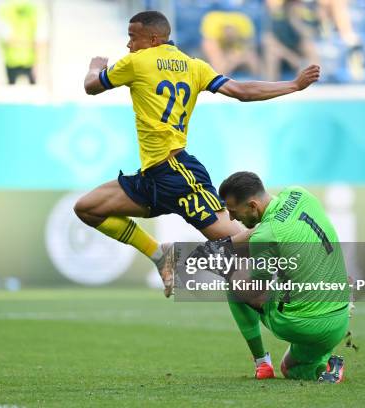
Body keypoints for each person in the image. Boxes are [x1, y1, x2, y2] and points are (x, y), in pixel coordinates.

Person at [74, 11, 320, 298]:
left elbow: (91, 87)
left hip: (179, 175)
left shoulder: (136, 62)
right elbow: (242, 90)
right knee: (87, 208)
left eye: (133, 38)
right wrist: (292, 84)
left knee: (237, 244)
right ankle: (160, 255)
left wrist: (94, 67)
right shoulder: (194, 66)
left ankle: (317, 275)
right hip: (153, 176)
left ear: (153, 39)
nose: (129, 45)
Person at [199, 171, 350, 382]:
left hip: (300, 323)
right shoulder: (299, 194)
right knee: (290, 369)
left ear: (253, 206)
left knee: (234, 277)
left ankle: (262, 363)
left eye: (234, 212)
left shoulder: (265, 236)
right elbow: (274, 229)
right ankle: (326, 367)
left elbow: (257, 288)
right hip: (340, 317)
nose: (232, 219)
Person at [200, 10, 260, 77]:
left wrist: (240, 56)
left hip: (236, 52)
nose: (229, 34)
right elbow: (219, 74)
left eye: (232, 30)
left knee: (251, 56)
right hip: (217, 66)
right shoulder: (211, 39)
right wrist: (232, 61)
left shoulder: (243, 28)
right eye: (227, 30)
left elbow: (258, 71)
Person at [0, 0, 39, 85]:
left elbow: (6, 38)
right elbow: (39, 41)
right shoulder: (33, 7)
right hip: (26, 59)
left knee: (12, 92)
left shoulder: (6, 7)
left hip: (14, 60)